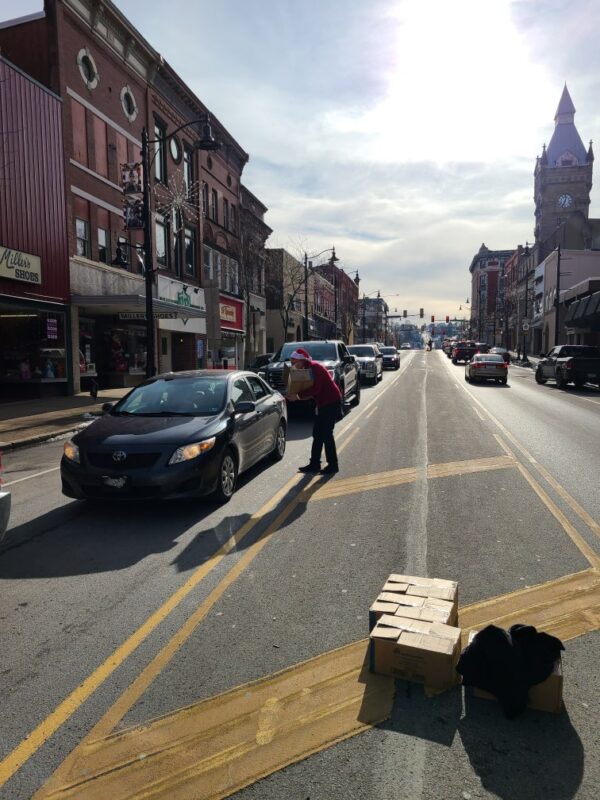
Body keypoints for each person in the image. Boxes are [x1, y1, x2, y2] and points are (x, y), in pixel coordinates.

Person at [287, 347, 342, 475]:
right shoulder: (305, 369)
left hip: (331, 402)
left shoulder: (314, 367)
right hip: (322, 403)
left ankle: (333, 465)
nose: (292, 365)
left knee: (327, 434)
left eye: (294, 362)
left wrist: (298, 396)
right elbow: (304, 387)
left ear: (301, 361)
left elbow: (315, 389)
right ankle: (314, 464)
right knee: (317, 434)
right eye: (291, 363)